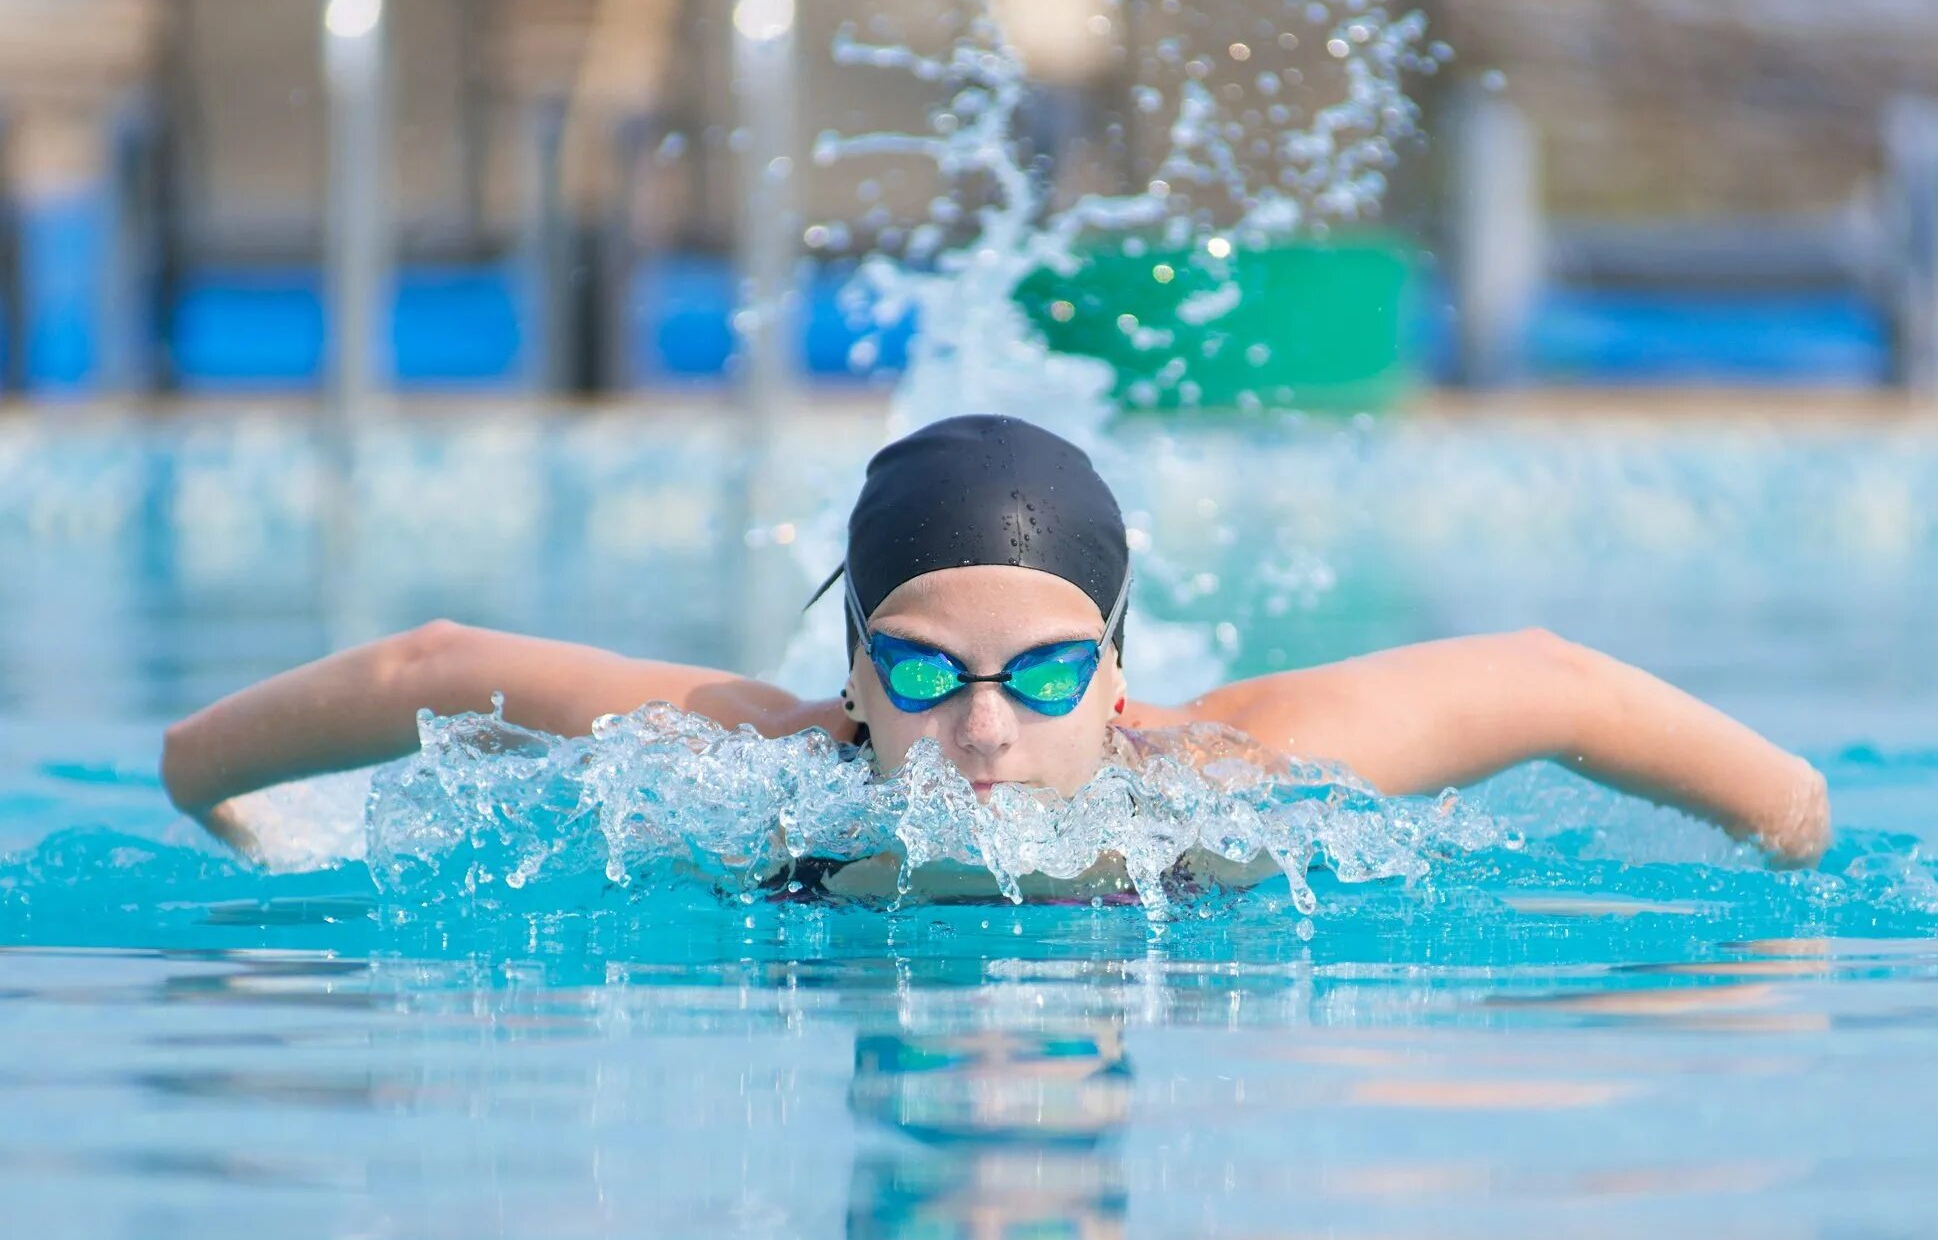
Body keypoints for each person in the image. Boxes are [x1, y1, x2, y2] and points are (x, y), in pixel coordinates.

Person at [160, 414, 1832, 888]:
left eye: (1039, 676)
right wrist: (240, 824)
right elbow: (428, 664)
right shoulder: (753, 762)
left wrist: (1800, 877)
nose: (980, 729)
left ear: (1116, 673)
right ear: (847, 677)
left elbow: (1557, 680)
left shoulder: (1243, 776)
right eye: (918, 669)